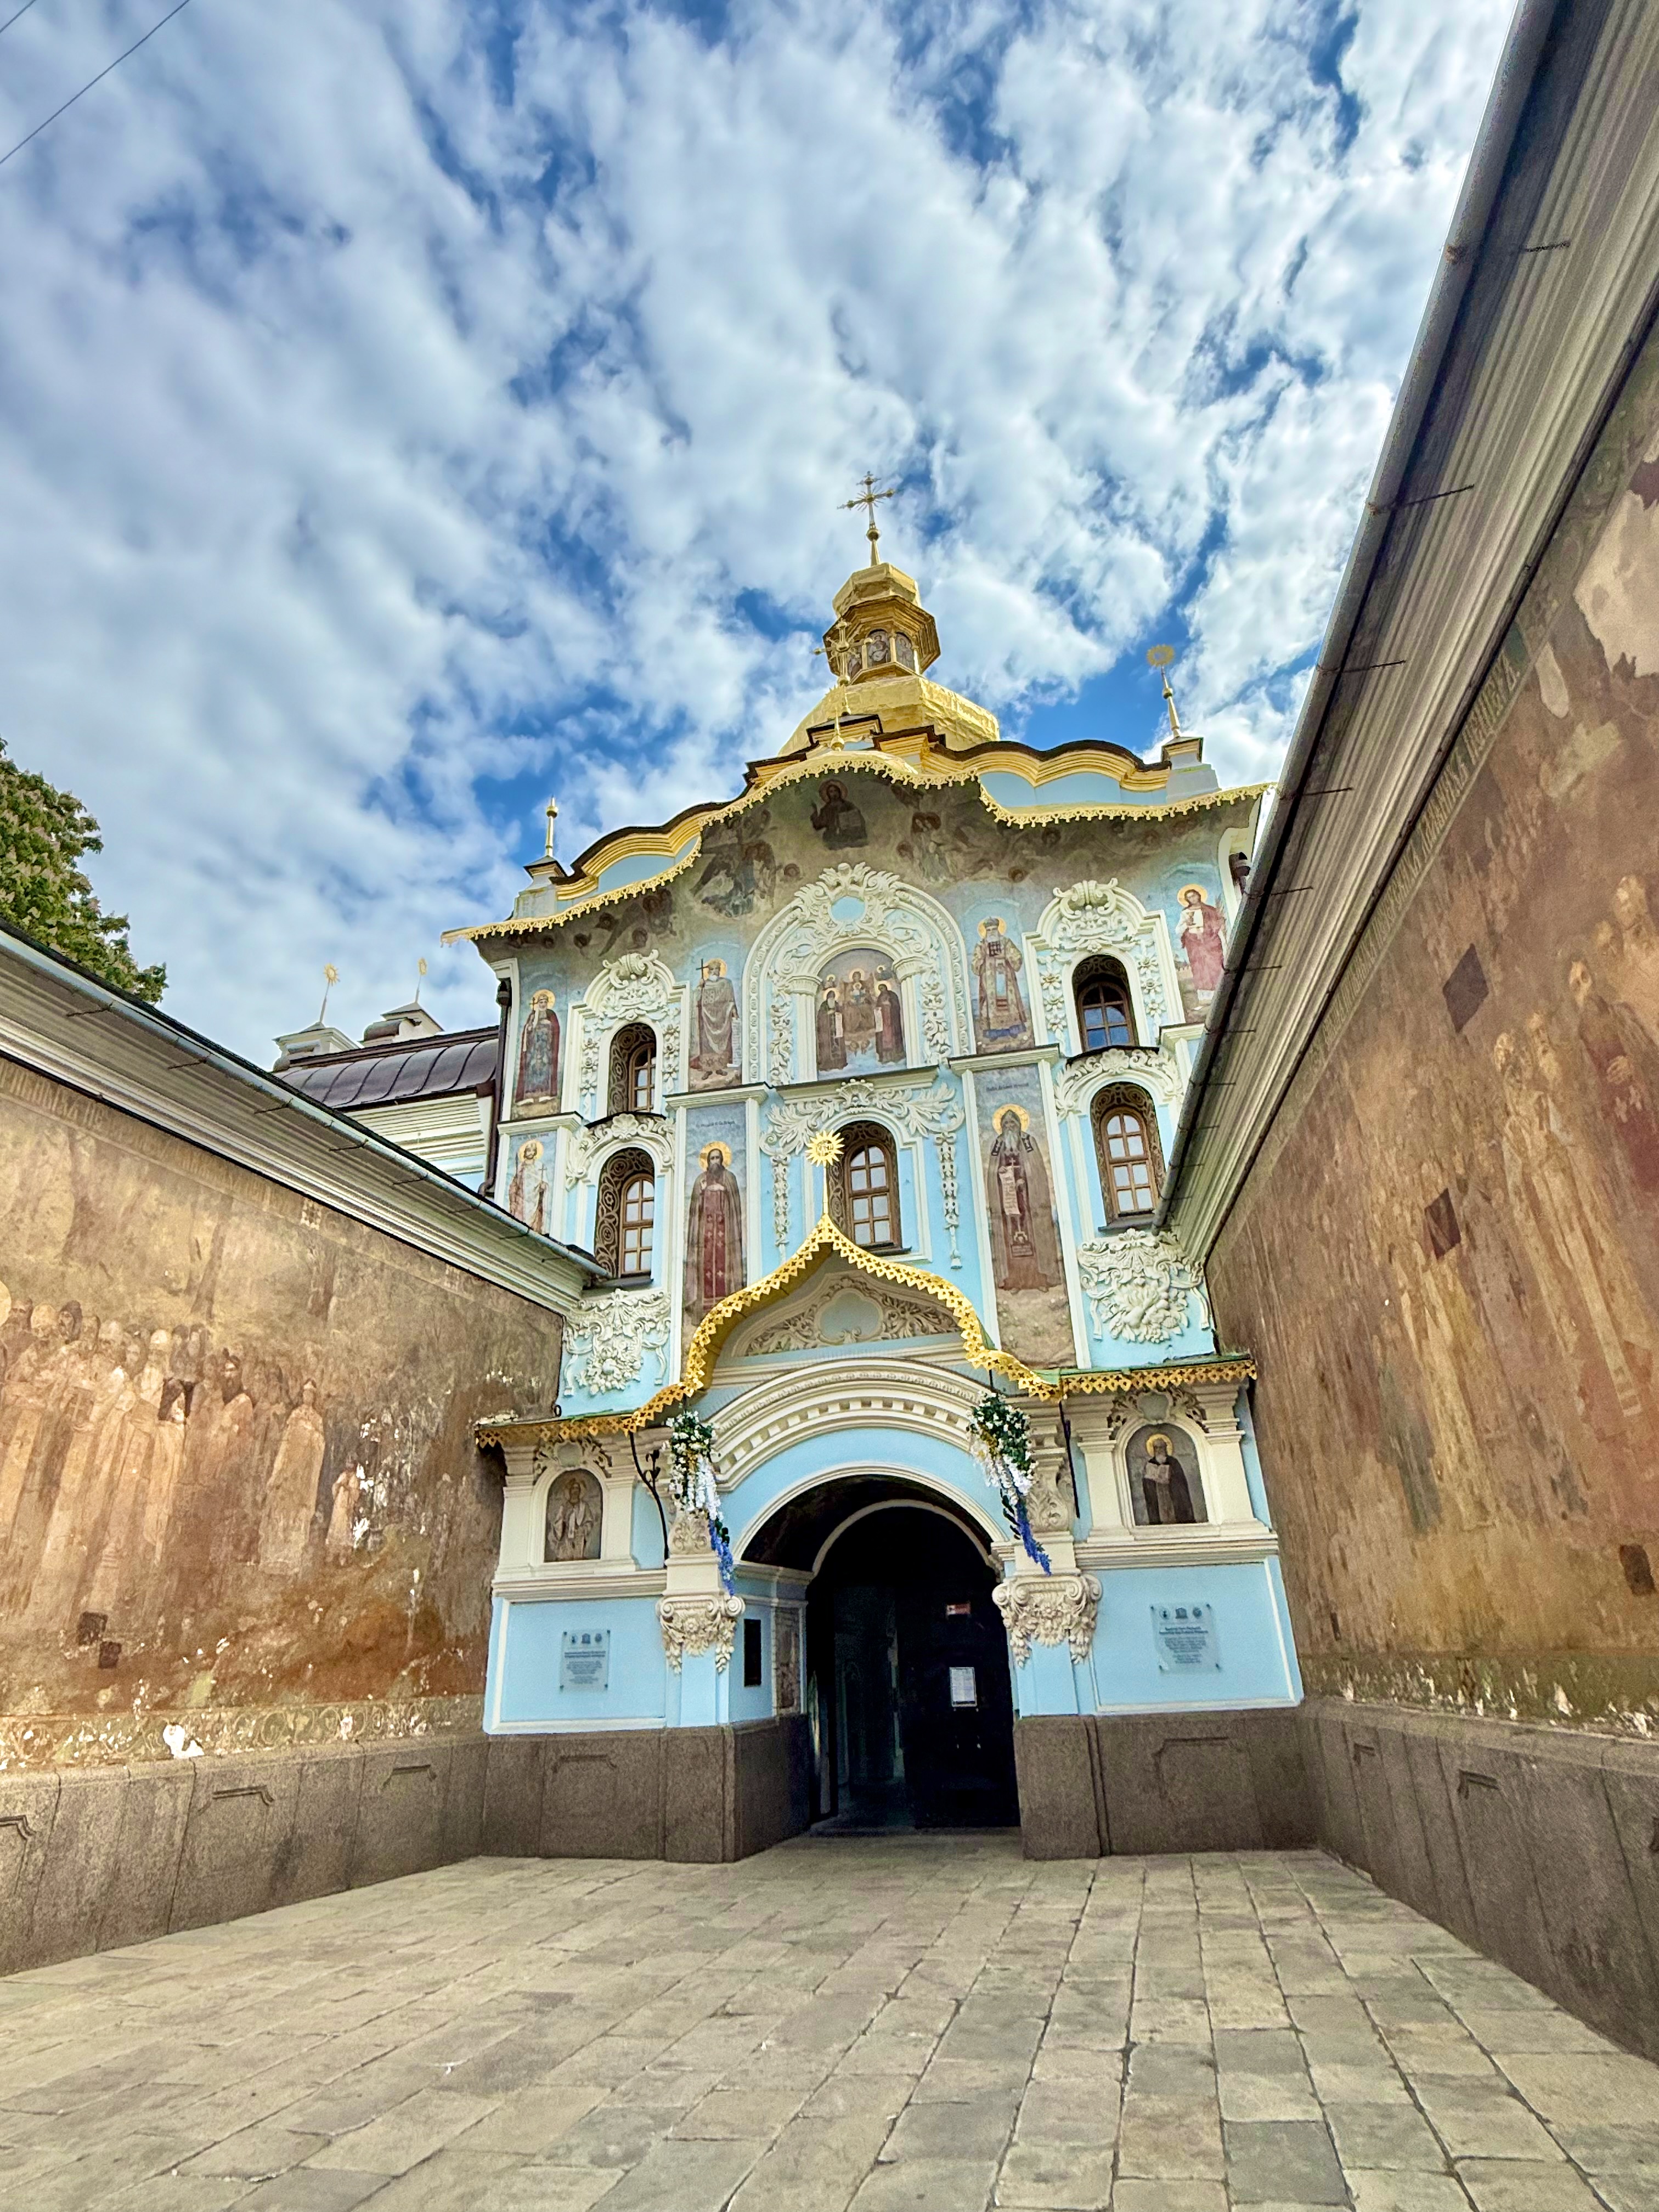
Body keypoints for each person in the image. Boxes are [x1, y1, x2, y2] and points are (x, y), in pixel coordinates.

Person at [684, 1144, 746, 1320]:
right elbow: (695, 1210)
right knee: (705, 1266)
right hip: (706, 1233)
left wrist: (723, 1192)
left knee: (723, 1263)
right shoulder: (700, 1181)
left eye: (718, 1158)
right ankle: (702, 1308)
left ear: (723, 1160)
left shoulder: (729, 1178)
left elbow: (734, 1207)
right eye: (712, 1159)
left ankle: (729, 1301)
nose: (715, 1162)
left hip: (725, 1233)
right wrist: (703, 1193)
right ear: (707, 1162)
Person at [973, 920, 1031, 1049]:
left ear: (998, 930)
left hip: (1006, 978)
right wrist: (981, 960)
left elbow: (1017, 957)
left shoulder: (1006, 942)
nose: (991, 933)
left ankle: (1014, 1030)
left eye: (994, 930)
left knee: (1010, 1003)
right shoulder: (981, 945)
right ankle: (993, 1032)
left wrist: (1008, 957)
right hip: (989, 981)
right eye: (989, 931)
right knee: (991, 1005)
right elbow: (975, 963)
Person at [691, 958, 739, 1086]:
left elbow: (731, 999)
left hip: (722, 1018)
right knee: (706, 1045)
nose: (715, 972)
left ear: (720, 970)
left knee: (723, 1043)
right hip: (706, 1019)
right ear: (708, 972)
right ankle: (707, 1070)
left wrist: (733, 1010)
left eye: (717, 969)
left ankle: (719, 1068)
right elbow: (696, 1000)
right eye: (712, 970)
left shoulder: (726, 983)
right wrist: (699, 988)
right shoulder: (704, 985)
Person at [1178, 885, 1227, 997]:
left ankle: (1220, 986)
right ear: (1187, 900)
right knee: (1199, 965)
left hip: (1210, 940)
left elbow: (1217, 923)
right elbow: (1179, 929)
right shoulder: (1185, 913)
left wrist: (1210, 930)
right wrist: (1187, 924)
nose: (1193, 899)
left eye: (1194, 896)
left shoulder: (1209, 910)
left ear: (1199, 895)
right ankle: (1205, 993)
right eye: (1190, 897)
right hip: (1194, 942)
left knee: (1215, 962)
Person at [515, 991, 560, 1107]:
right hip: (533, 1050)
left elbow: (555, 1029)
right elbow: (527, 1031)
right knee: (532, 1070)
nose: (543, 1004)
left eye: (545, 1002)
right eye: (541, 1002)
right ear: (537, 1003)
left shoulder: (551, 1015)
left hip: (545, 1049)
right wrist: (530, 1028)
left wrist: (547, 1026)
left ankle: (545, 1092)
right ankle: (529, 1095)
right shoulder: (532, 1016)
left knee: (544, 1069)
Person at [875, 969, 905, 1064]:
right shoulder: (880, 998)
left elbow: (896, 1006)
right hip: (883, 1022)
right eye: (880, 990)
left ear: (886, 988)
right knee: (884, 1039)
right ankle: (884, 1056)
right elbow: (878, 1007)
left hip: (891, 1021)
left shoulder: (892, 995)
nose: (882, 991)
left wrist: (889, 1004)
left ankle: (896, 1054)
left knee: (892, 1037)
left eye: (883, 989)